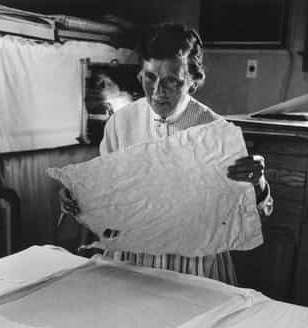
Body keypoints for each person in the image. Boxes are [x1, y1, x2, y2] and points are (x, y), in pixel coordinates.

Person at [60, 23, 273, 285]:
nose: (158, 92)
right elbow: (108, 196)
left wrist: (258, 185)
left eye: (172, 81)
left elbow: (250, 216)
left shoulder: (216, 133)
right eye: (150, 77)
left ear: (193, 82)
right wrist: (79, 196)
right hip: (131, 259)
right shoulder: (121, 122)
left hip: (193, 266)